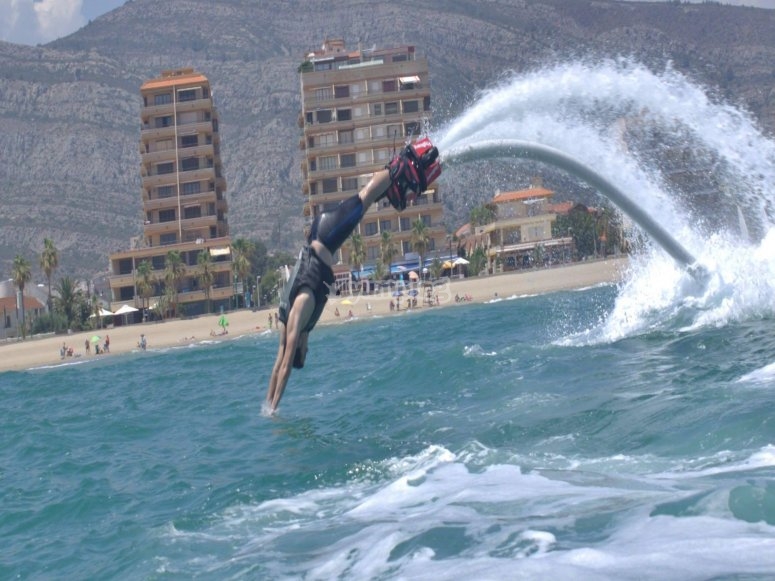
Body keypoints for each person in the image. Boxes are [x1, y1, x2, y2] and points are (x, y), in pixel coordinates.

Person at [264, 137, 441, 412]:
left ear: (299, 346)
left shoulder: (299, 313)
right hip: (321, 237)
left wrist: (273, 408)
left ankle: (402, 164)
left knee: (365, 197)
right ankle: (397, 178)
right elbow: (276, 365)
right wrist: (266, 402)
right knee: (368, 199)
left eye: (304, 351)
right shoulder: (293, 326)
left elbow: (285, 364)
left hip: (326, 235)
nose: (307, 349)